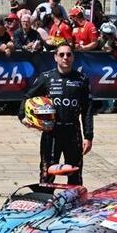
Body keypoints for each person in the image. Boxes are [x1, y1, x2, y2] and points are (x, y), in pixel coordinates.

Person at [20, 43, 94, 185]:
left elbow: (87, 110)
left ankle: (73, 205)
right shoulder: (46, 77)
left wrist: (88, 136)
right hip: (51, 132)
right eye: (61, 54)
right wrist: (23, 117)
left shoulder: (82, 80)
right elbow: (27, 97)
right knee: (47, 173)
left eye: (68, 54)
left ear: (73, 57)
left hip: (73, 132)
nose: (65, 57)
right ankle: (46, 202)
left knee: (75, 174)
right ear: (55, 57)